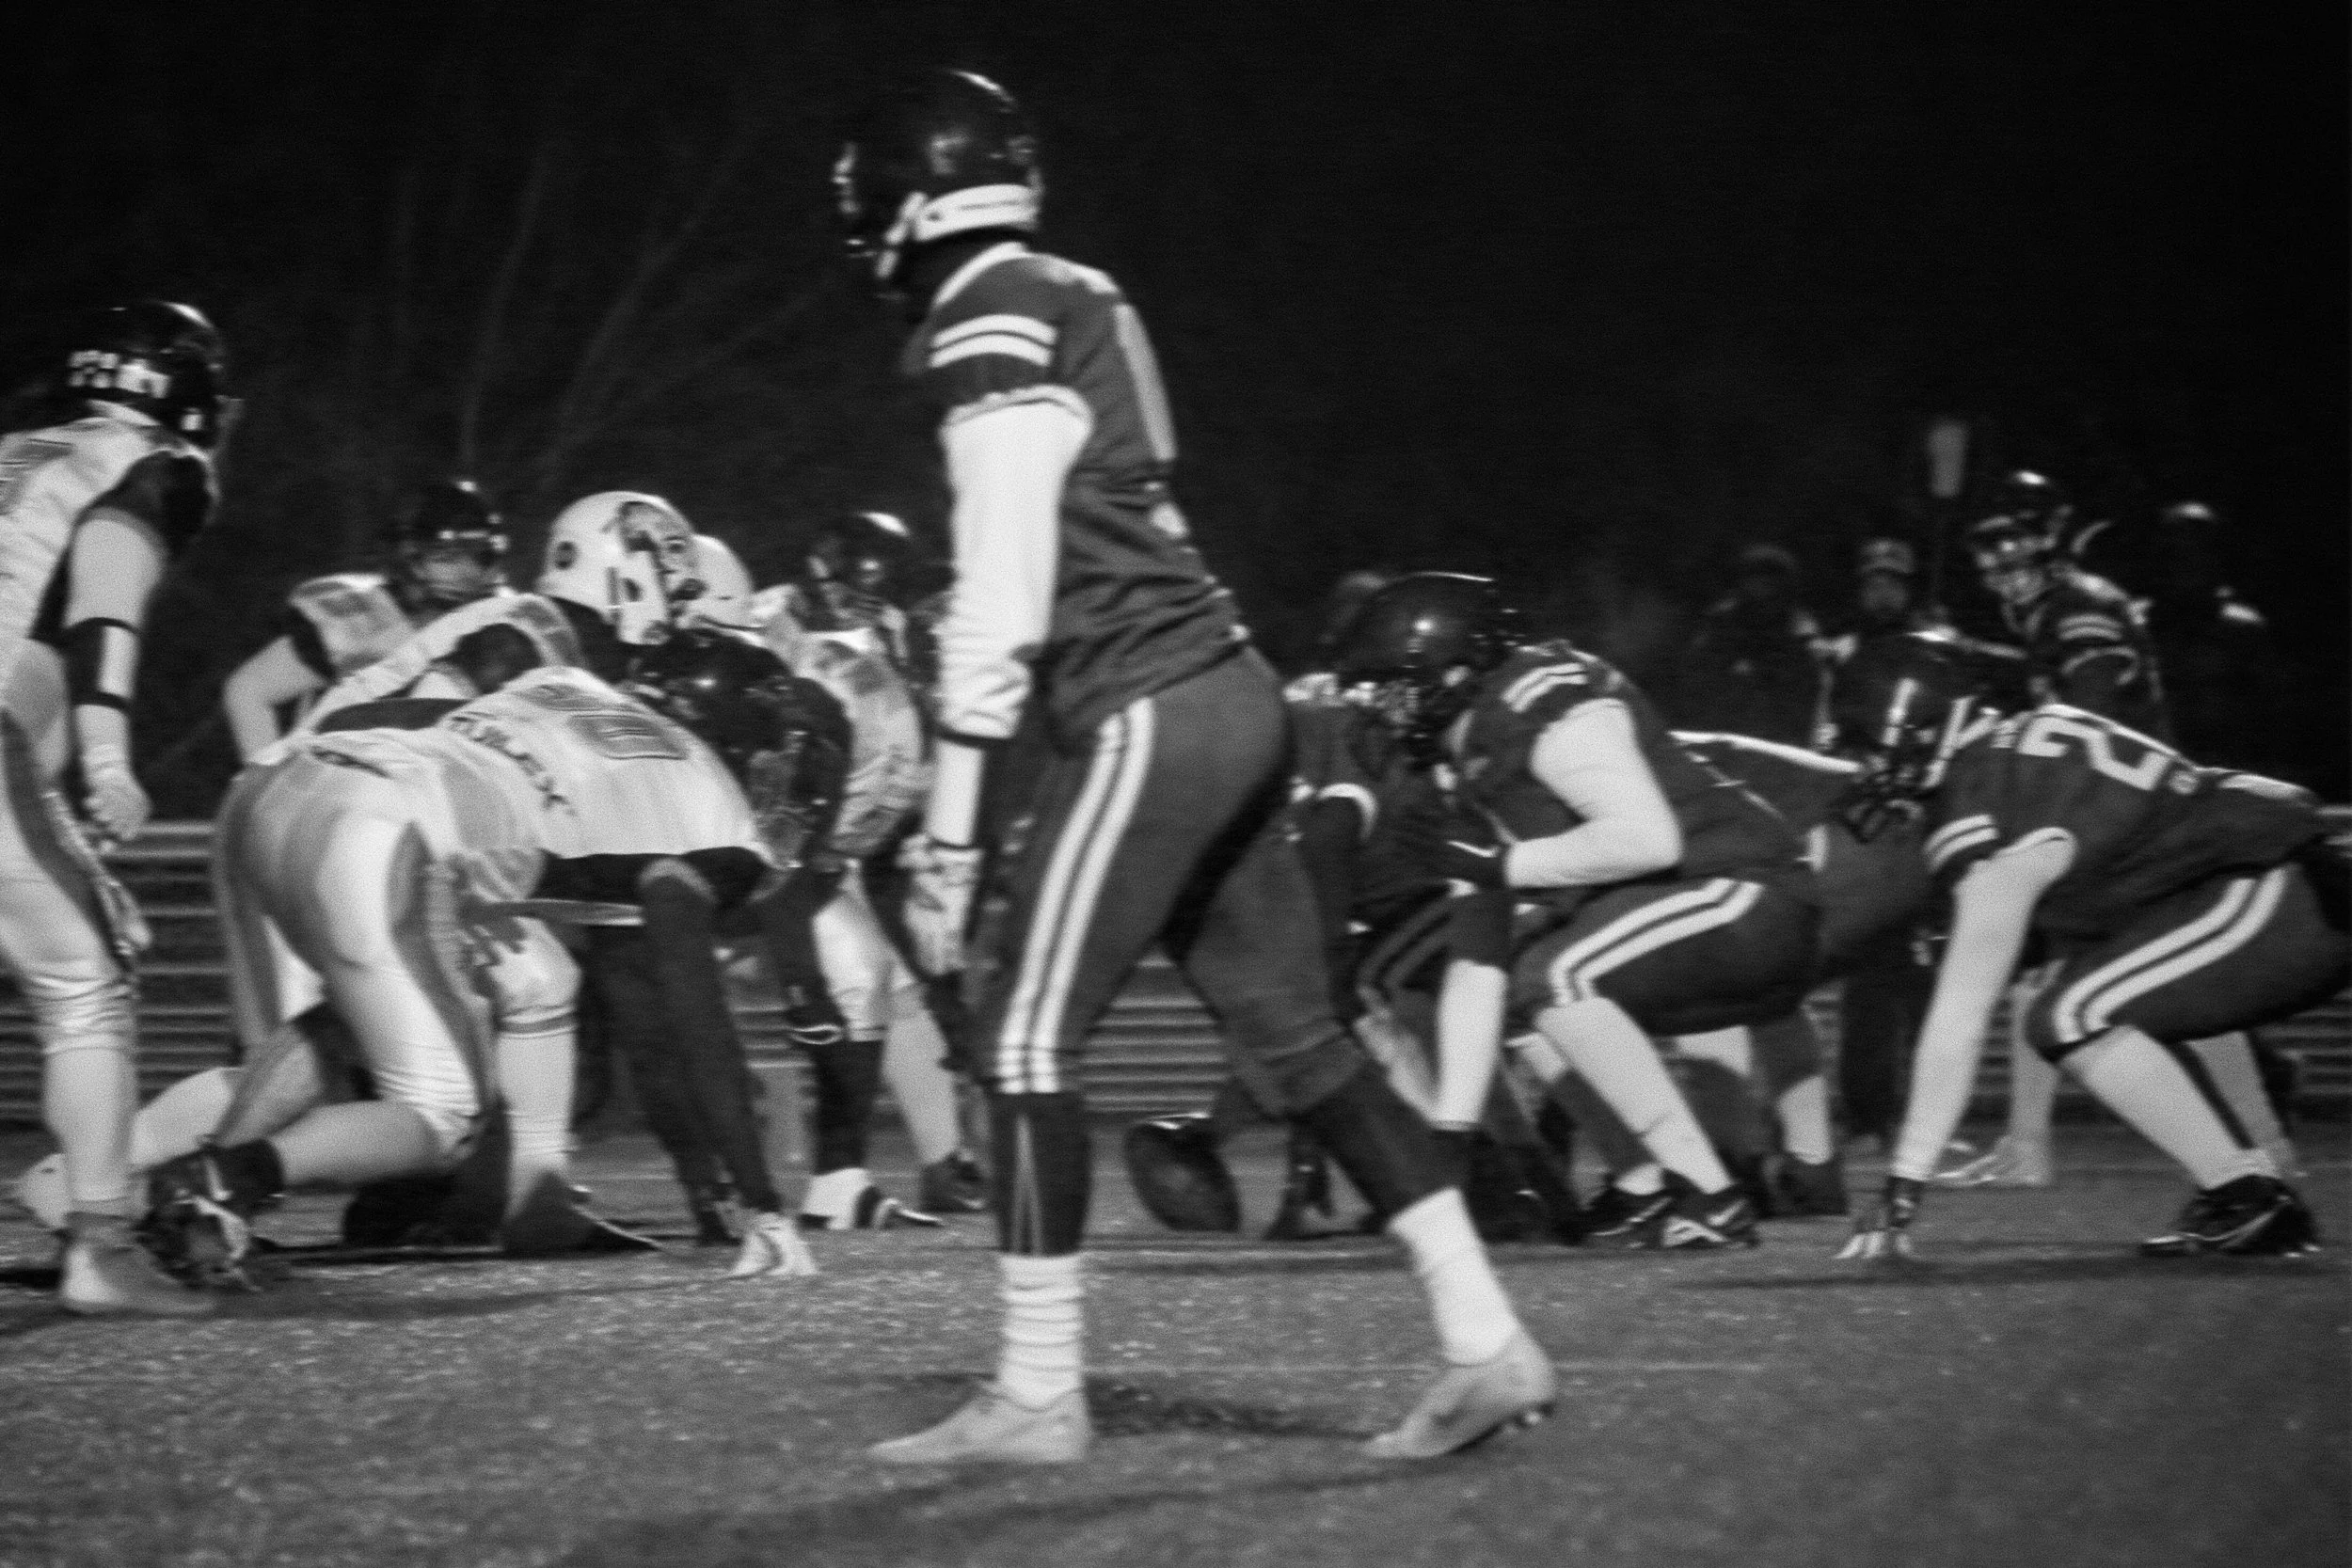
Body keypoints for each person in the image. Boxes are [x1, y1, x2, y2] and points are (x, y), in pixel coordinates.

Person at [836, 70, 1550, 1465]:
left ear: (908, 194)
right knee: (1302, 1044)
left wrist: (960, 819)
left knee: (1024, 1039)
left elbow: (1003, 579)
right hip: (1226, 685)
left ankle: (1038, 1390)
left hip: (1151, 697)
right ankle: (1486, 1339)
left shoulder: (989, 310)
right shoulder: (1069, 288)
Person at [142, 650, 823, 1285]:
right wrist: (759, 1198)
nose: (771, 776)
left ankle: (538, 1195)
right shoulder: (709, 808)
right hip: (393, 832)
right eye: (767, 755)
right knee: (442, 1114)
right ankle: (232, 1176)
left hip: (293, 777)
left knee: (540, 978)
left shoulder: (566, 683)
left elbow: (420, 724)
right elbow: (689, 1015)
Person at [1337, 573, 1822, 1248]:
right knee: (1523, 978)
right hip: (1700, 904)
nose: (1380, 711)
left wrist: (1502, 865)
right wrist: (1452, 1135)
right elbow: (1479, 959)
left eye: (1390, 688)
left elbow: (1646, 837)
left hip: (1750, 890)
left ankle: (1708, 1193)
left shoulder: (1542, 705)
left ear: (1454, 670)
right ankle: (1647, 1185)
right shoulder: (1464, 761)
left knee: (1556, 976)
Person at [1835, 632, 2342, 1260]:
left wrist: (1904, 1180)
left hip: (2273, 882)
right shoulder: (2019, 741)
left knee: (2072, 1012)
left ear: (1918, 727)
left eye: (1867, 746)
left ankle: (2246, 1193)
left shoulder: (1980, 792)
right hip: (2271, 874)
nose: (1863, 768)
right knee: (2077, 998)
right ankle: (2246, 1196)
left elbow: (1960, 1015)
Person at [0, 301, 227, 1315]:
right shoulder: (154, 462)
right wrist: (104, 750)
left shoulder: (19, 448)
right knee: (88, 975)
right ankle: (100, 1242)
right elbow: (106, 582)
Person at [693, 534, 987, 1226]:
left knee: (869, 971)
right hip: (725, 835)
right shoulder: (786, 645)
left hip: (804, 835)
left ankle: (852, 1178)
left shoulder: (871, 659)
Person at [1943, 468, 2182, 1189]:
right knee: (2041, 982)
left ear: (2050, 537)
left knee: (2192, 996)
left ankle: (2264, 1146)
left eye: (2012, 549)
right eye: (1989, 555)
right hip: (2118, 812)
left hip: (2138, 818)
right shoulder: (2052, 613)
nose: (1999, 568)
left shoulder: (2081, 609)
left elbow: (2091, 720)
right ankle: (2027, 1146)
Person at [220, 479, 510, 758]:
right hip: (342, 789)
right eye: (448, 556)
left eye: (479, 556)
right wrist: (273, 790)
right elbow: (248, 692)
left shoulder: (504, 626)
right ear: (412, 557)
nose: (468, 570)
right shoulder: (364, 617)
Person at [1671, 542, 1828, 748]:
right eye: (1756, 581)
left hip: (1776, 748)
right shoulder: (1721, 625)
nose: (1763, 590)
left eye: (1771, 583)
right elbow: (1693, 687)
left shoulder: (1802, 639)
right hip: (1719, 740)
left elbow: (1807, 710)